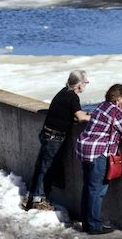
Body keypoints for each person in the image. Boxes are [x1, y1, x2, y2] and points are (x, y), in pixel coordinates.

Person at [24, 70, 91, 211]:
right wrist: (96, 117)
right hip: (55, 136)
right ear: (80, 85)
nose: (86, 85)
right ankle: (38, 200)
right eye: (85, 82)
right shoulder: (72, 97)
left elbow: (73, 113)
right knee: (46, 168)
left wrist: (86, 114)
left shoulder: (63, 92)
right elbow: (80, 118)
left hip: (47, 133)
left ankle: (30, 196)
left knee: (41, 166)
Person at [75, 83, 122, 235]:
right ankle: (94, 226)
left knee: (88, 188)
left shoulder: (102, 106)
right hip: (98, 153)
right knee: (97, 189)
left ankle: (87, 223)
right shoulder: (116, 111)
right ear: (119, 99)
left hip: (86, 148)